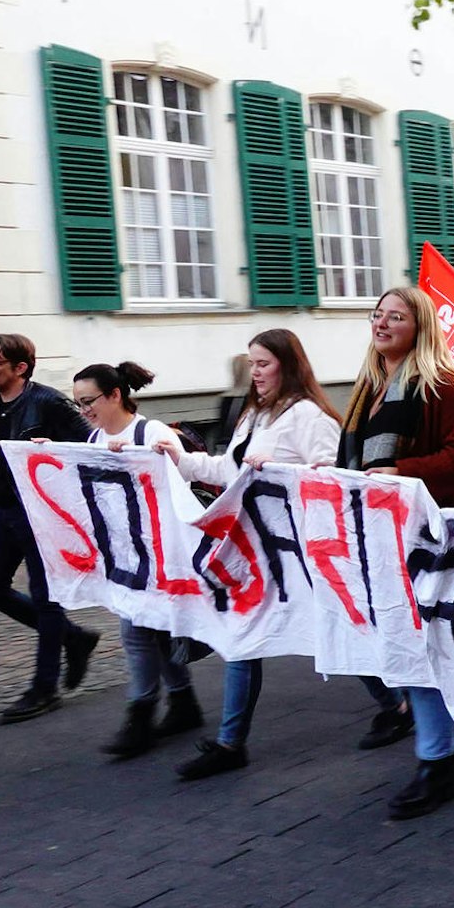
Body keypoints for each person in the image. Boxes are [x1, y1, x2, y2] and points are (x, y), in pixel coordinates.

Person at [154, 329, 340, 780]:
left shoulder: (309, 417)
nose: (254, 373)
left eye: (263, 364)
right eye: (251, 363)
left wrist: (282, 471)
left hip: (296, 551)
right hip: (254, 550)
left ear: (287, 365)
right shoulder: (254, 416)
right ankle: (229, 742)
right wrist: (177, 458)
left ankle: (395, 702)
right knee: (243, 637)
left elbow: (331, 478)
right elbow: (226, 468)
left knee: (333, 628)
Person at [339, 287, 454, 818]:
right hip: (381, 536)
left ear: (419, 326)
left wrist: (403, 475)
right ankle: (452, 733)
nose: (381, 323)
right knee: (406, 644)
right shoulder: (368, 388)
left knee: (417, 645)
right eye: (376, 314)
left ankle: (435, 760)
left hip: (431, 536)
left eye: (395, 316)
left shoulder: (440, 383)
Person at [74, 361, 206, 757]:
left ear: (115, 395)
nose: (84, 411)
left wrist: (134, 458)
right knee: (155, 629)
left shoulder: (152, 432)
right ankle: (182, 702)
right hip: (127, 551)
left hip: (162, 551)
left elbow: (181, 482)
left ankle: (140, 714)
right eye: (78, 403)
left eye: (89, 401)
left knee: (136, 631)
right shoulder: (95, 438)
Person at [0, 333, 97, 724]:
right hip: (6, 509)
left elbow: (90, 443)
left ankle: (45, 688)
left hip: (42, 513)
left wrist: (52, 451)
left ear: (20, 368)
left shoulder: (47, 402)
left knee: (46, 598)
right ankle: (74, 638)